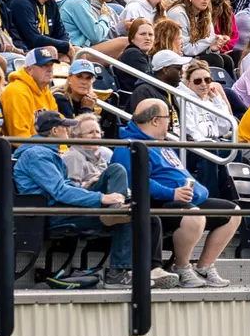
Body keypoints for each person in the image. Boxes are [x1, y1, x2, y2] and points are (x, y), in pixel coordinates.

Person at [14, 104, 179, 291]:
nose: (68, 130)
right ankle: (119, 272)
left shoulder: (48, 152)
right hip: (53, 214)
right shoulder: (37, 154)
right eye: (65, 126)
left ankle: (121, 220)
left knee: (117, 173)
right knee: (129, 216)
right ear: (54, 130)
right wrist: (101, 198)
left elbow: (65, 187)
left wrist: (86, 188)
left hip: (65, 207)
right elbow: (60, 192)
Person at [113, 100, 239, 287]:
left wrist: (197, 192)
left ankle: (203, 267)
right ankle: (181, 267)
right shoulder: (130, 146)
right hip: (155, 204)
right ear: (155, 121)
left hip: (181, 200)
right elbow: (136, 182)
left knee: (234, 212)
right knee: (193, 216)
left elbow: (183, 175)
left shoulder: (162, 145)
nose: (170, 123)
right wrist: (172, 193)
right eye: (168, 118)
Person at [58, 0, 129, 62]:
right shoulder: (78, 2)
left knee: (122, 51)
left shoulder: (80, 1)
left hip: (83, 48)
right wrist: (104, 16)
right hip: (76, 51)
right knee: (124, 42)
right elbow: (96, 36)